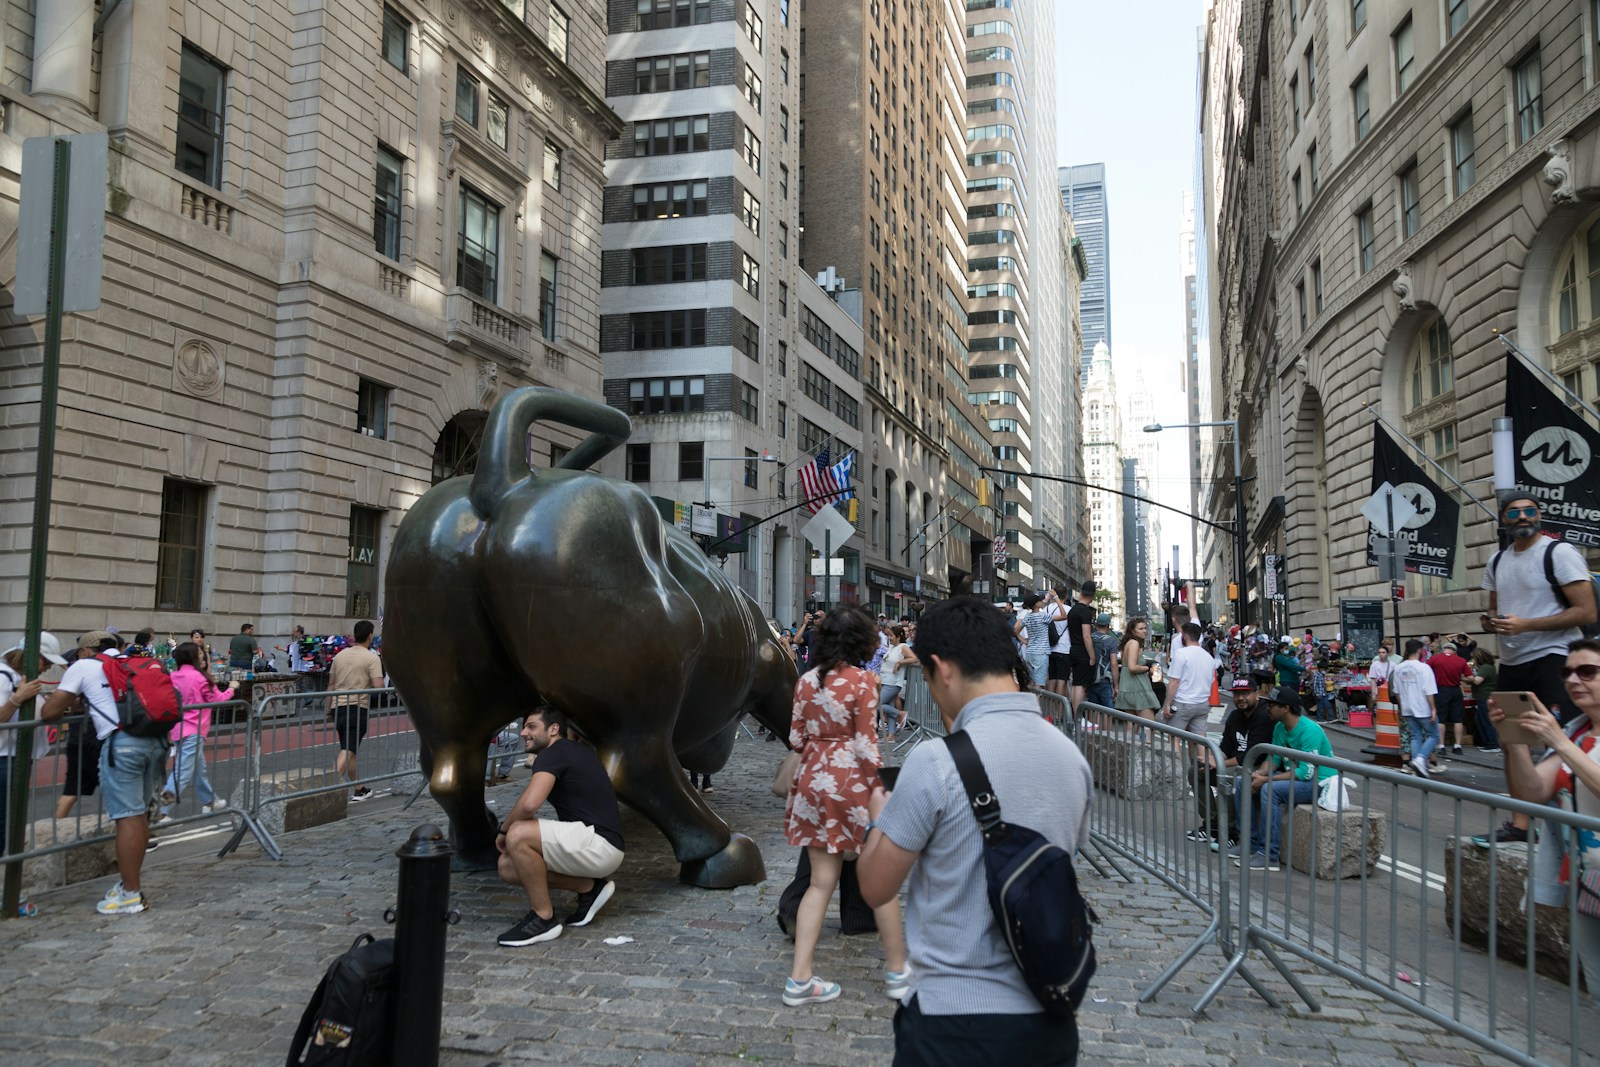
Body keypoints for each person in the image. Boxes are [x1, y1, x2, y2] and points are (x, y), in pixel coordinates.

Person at [857, 597, 1091, 1063]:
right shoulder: (1071, 758)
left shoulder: (935, 762)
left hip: (953, 1022)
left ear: (942, 670)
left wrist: (880, 817)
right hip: (1049, 1022)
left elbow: (876, 886)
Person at [783, 605, 909, 1006]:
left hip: (812, 781)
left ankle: (800, 979)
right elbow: (866, 744)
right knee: (880, 881)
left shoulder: (805, 681)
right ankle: (898, 972)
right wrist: (877, 790)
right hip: (851, 783)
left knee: (820, 883)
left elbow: (795, 739)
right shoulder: (863, 681)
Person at [1480, 496, 1598, 844]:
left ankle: (1570, 822)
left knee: (1561, 740)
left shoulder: (1558, 553)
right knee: (1511, 739)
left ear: (1539, 516)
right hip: (1512, 661)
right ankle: (1520, 824)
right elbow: (1495, 611)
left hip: (1554, 658)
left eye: (1529, 511)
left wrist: (1527, 624)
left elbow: (1587, 612)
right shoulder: (1497, 560)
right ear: (1504, 519)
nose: (1522, 517)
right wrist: (1490, 623)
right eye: (1514, 512)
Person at [1491, 638, 1600, 999]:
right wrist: (1516, 741)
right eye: (1567, 672)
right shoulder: (1577, 733)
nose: (1573, 680)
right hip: (1588, 882)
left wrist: (1558, 741)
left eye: (1587, 671)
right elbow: (1533, 792)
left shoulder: (1567, 739)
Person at [41, 632, 162, 914]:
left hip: (123, 744)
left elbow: (50, 712)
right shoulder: (131, 662)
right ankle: (128, 885)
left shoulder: (84, 666)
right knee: (139, 814)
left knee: (127, 817)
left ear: (86, 651)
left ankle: (130, 894)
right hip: (155, 741)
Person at [495, 706, 624, 946]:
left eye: (531, 726)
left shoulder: (554, 752)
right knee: (507, 867)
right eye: (523, 727)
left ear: (554, 729)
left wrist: (503, 831)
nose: (523, 733)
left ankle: (543, 918)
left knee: (518, 833)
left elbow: (529, 805)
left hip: (598, 843)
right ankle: (589, 888)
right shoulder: (572, 750)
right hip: (602, 846)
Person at [1228, 685, 1336, 870]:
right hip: (1297, 778)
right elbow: (1274, 758)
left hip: (1319, 783)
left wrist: (1266, 780)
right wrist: (1259, 774)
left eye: (1272, 705)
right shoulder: (1279, 726)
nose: (1267, 708)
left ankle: (1269, 855)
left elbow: (1306, 772)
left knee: (1271, 790)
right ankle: (1248, 843)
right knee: (1242, 781)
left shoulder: (1310, 730)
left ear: (1285, 708)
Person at [0, 632, 67, 917]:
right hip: (5, 760)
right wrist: (17, 700)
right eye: (44, 660)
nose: (47, 666)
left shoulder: (20, 678)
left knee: (7, 830)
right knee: (3, 830)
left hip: (15, 759)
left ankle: (7, 895)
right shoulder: (5, 678)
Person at [1194, 672, 1278, 848]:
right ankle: (1213, 824)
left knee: (1230, 777)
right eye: (1237, 694)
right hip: (1237, 763)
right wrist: (1212, 759)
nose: (1241, 698)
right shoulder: (1234, 716)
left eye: (1246, 693)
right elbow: (1226, 747)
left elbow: (1253, 754)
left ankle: (1231, 832)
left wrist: (1220, 764)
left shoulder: (1264, 716)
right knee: (1196, 771)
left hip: (1258, 766)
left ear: (1257, 694)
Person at [155, 642, 236, 823]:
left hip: (178, 728)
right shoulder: (200, 678)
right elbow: (218, 699)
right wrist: (232, 688)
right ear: (193, 656)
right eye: (199, 653)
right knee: (182, 774)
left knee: (198, 769)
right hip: (194, 730)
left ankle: (209, 800)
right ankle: (160, 811)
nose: (202, 656)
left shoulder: (172, 676)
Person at [328, 620, 384, 802]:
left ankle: (359, 788)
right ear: (370, 636)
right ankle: (327, 788)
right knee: (348, 749)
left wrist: (328, 709)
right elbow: (378, 686)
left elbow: (331, 685)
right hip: (357, 707)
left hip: (338, 707)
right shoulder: (372, 658)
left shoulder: (340, 656)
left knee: (349, 748)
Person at [1390, 639, 1440, 779]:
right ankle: (1420, 759)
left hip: (1407, 707)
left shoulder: (1399, 668)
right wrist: (1433, 708)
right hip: (1422, 707)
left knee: (1415, 736)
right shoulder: (1424, 668)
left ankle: (1417, 763)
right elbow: (1428, 691)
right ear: (1419, 650)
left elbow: (1396, 691)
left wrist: (1402, 707)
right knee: (1434, 735)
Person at [1159, 622, 1215, 739]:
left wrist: (1167, 704)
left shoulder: (1181, 654)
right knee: (1199, 739)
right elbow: (1211, 681)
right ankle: (1201, 752)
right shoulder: (1209, 657)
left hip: (1183, 702)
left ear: (1185, 636)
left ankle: (1176, 753)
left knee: (1174, 738)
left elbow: (1174, 681)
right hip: (1202, 704)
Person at [1428, 640, 1472, 755]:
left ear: (1444, 649)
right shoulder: (1461, 660)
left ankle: (1441, 746)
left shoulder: (1435, 658)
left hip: (1441, 690)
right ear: (1455, 651)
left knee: (1441, 719)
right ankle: (1457, 746)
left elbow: (1425, 671)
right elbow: (1470, 677)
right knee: (1458, 719)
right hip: (1456, 690)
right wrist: (1460, 678)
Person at [1114, 617, 1159, 720]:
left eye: (1145, 628)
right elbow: (1132, 667)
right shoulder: (1134, 643)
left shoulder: (1128, 643)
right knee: (1149, 724)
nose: (1144, 631)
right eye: (1141, 629)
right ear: (1132, 631)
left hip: (1128, 686)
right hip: (1137, 687)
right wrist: (1147, 668)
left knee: (1132, 723)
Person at [879, 625, 917, 736]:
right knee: (888, 706)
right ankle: (891, 735)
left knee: (876, 704)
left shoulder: (903, 646)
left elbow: (914, 658)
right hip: (886, 681)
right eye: (888, 635)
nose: (889, 638)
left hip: (893, 683)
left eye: (891, 636)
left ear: (898, 637)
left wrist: (900, 662)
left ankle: (900, 714)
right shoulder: (892, 647)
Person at [1013, 592, 1053, 690]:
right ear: (1036, 604)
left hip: (1030, 651)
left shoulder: (1027, 617)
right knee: (1039, 684)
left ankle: (1029, 698)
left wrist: (1025, 642)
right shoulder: (1043, 616)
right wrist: (1056, 598)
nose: (1042, 602)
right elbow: (1063, 616)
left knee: (1031, 681)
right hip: (1041, 652)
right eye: (1040, 601)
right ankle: (1036, 700)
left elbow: (1015, 631)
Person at [1468, 649, 1500, 753]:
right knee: (1480, 720)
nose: (1473, 659)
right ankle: (1487, 743)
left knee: (1485, 720)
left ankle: (1493, 744)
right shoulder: (1488, 667)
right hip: (1483, 697)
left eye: (1474, 657)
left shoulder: (1485, 668)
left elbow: (1477, 681)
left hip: (1484, 697)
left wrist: (1465, 677)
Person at [1045, 586, 1073, 700]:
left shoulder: (1047, 609)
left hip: (1049, 648)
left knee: (1051, 679)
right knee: (1062, 680)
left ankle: (1050, 707)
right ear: (1066, 596)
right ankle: (1059, 709)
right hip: (1064, 648)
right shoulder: (1069, 610)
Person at [1087, 614, 1118, 709]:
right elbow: (1114, 664)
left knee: (1092, 709)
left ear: (1096, 625)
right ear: (1108, 625)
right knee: (1108, 711)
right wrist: (1116, 686)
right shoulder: (1112, 641)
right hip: (1104, 679)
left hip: (1090, 677)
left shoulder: (1089, 638)